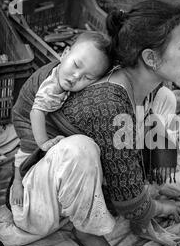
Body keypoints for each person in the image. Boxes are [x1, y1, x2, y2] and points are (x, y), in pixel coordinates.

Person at [2, 0, 180, 246]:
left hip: (73, 182)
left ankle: (145, 182)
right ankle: (87, 231)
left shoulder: (138, 80)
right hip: (37, 202)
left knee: (164, 99)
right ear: (150, 58)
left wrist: (155, 180)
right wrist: (156, 207)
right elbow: (130, 201)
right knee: (81, 148)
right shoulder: (109, 103)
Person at [11, 31, 112, 206]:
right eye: (76, 65)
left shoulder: (66, 75)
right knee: (29, 148)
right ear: (65, 54)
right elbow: (36, 113)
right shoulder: (52, 87)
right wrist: (42, 142)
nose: (75, 76)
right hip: (28, 116)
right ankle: (17, 182)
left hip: (42, 113)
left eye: (87, 78)